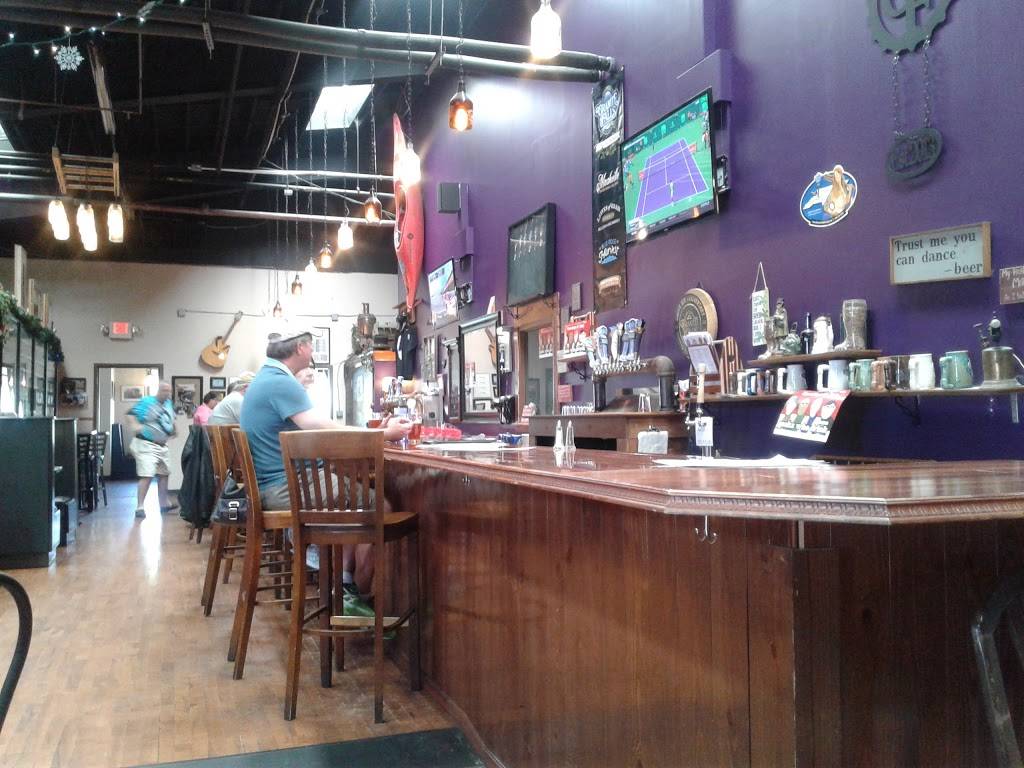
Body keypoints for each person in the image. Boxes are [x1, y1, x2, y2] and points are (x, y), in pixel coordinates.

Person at [240, 325, 411, 600]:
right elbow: (322, 428)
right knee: (382, 505)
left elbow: (316, 431)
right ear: (300, 348)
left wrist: (373, 433)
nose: (312, 351)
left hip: (276, 486)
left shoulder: (266, 378)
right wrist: (383, 435)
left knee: (353, 502)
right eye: (311, 345)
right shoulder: (280, 382)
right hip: (286, 487)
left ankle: (343, 582)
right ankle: (357, 596)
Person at [126, 380, 177, 519]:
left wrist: (173, 429)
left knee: (164, 473)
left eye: (169, 391)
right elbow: (130, 414)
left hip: (162, 446)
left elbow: (170, 419)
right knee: (147, 474)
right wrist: (135, 426)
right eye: (165, 390)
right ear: (158, 390)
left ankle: (164, 503)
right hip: (146, 444)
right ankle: (140, 507)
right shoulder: (147, 402)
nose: (167, 393)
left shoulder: (168, 403)